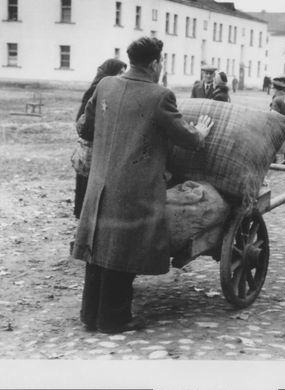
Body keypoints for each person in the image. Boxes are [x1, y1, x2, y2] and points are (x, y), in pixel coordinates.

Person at [72, 37, 214, 333]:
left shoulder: (105, 85)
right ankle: (114, 319)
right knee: (122, 250)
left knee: (98, 246)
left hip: (99, 183)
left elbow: (84, 127)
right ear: (154, 64)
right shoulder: (159, 95)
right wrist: (200, 132)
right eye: (161, 62)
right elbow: (186, 139)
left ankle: (90, 314)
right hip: (134, 188)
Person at [73, 58, 127, 219]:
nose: (122, 76)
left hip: (101, 141)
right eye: (120, 72)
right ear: (110, 72)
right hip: (93, 142)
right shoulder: (96, 89)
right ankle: (83, 214)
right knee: (88, 179)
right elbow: (82, 118)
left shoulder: (112, 89)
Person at [270, 76, 285, 164]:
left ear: (275, 89)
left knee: (273, 142)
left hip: (279, 125)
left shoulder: (276, 99)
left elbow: (274, 115)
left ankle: (274, 160)